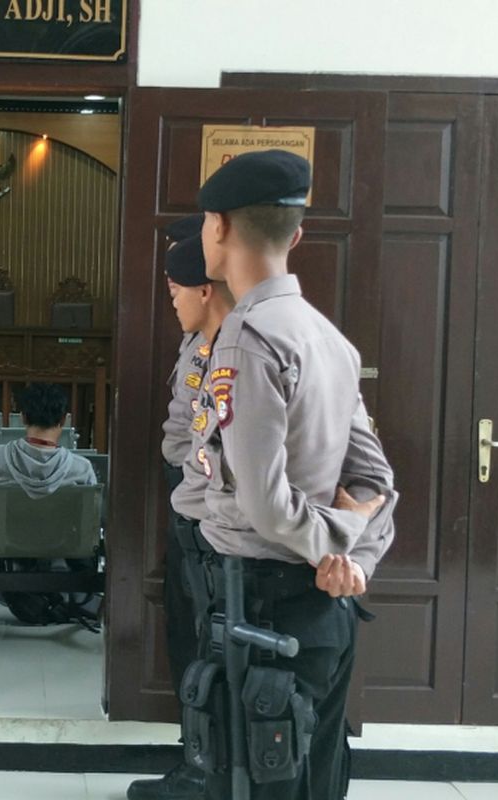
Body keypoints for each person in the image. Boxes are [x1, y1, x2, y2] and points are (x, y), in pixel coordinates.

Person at [189, 150, 398, 800]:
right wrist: (355, 557)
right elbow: (376, 481)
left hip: (263, 605)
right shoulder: (328, 338)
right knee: (317, 778)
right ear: (297, 234)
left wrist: (334, 544)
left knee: (258, 783)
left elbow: (266, 503)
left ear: (217, 227)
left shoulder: (247, 338)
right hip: (326, 610)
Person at [129, 231, 234, 800]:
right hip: (186, 495)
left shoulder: (234, 346)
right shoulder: (198, 339)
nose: (170, 299)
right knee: (188, 633)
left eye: (174, 288)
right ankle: (196, 757)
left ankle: (207, 769)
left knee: (206, 639)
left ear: (204, 286)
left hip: (211, 509)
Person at [0, 383, 100, 626]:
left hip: (6, 542)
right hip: (60, 543)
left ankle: (15, 576)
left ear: (23, 417)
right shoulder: (81, 467)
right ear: (63, 419)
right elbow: (90, 524)